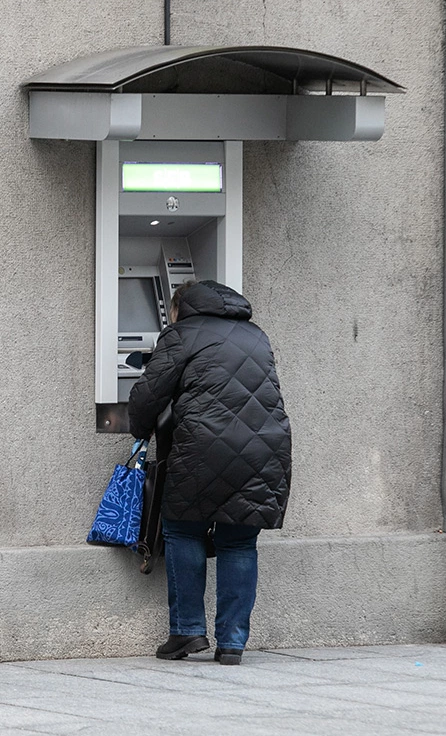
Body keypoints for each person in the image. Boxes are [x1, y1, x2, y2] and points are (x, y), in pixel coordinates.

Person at [128, 279, 291, 666]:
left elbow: (149, 394)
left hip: (203, 445)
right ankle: (232, 642)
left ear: (178, 308)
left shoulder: (181, 333)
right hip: (265, 448)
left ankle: (186, 630)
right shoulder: (255, 334)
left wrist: (139, 428)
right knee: (239, 540)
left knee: (183, 528)